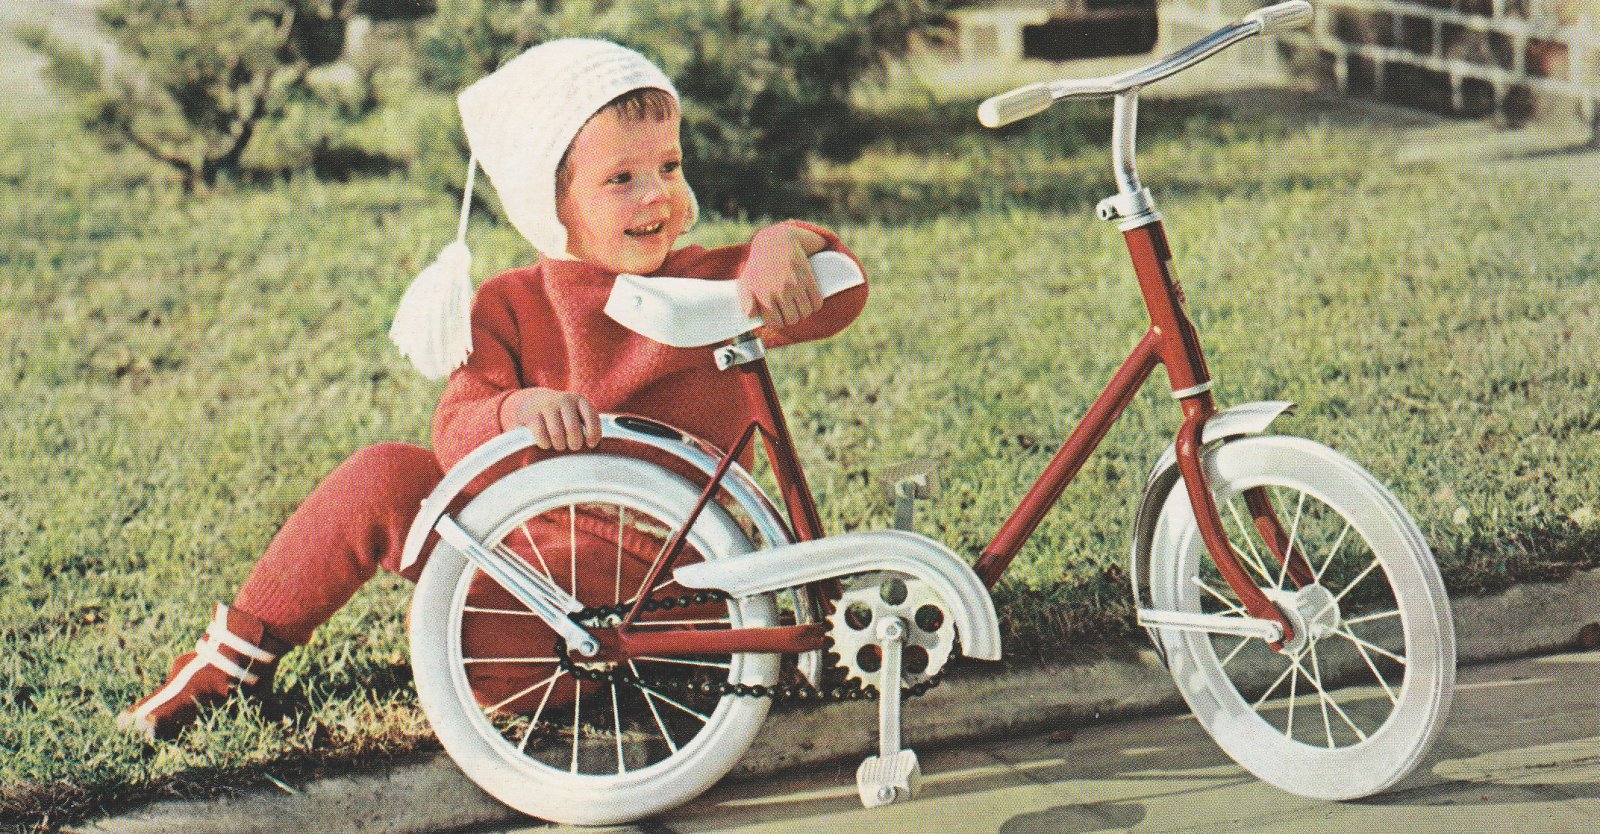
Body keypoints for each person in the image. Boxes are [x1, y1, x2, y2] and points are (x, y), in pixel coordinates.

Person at [118, 38, 867, 740]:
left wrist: (786, 244)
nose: (656, 197)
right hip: (533, 562)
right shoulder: (510, 304)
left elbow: (841, 294)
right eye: (621, 179)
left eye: (669, 167)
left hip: (665, 573)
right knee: (383, 474)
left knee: (476, 636)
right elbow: (457, 429)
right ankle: (234, 658)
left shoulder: (704, 282)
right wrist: (516, 410)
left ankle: (552, 661)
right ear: (550, 201)